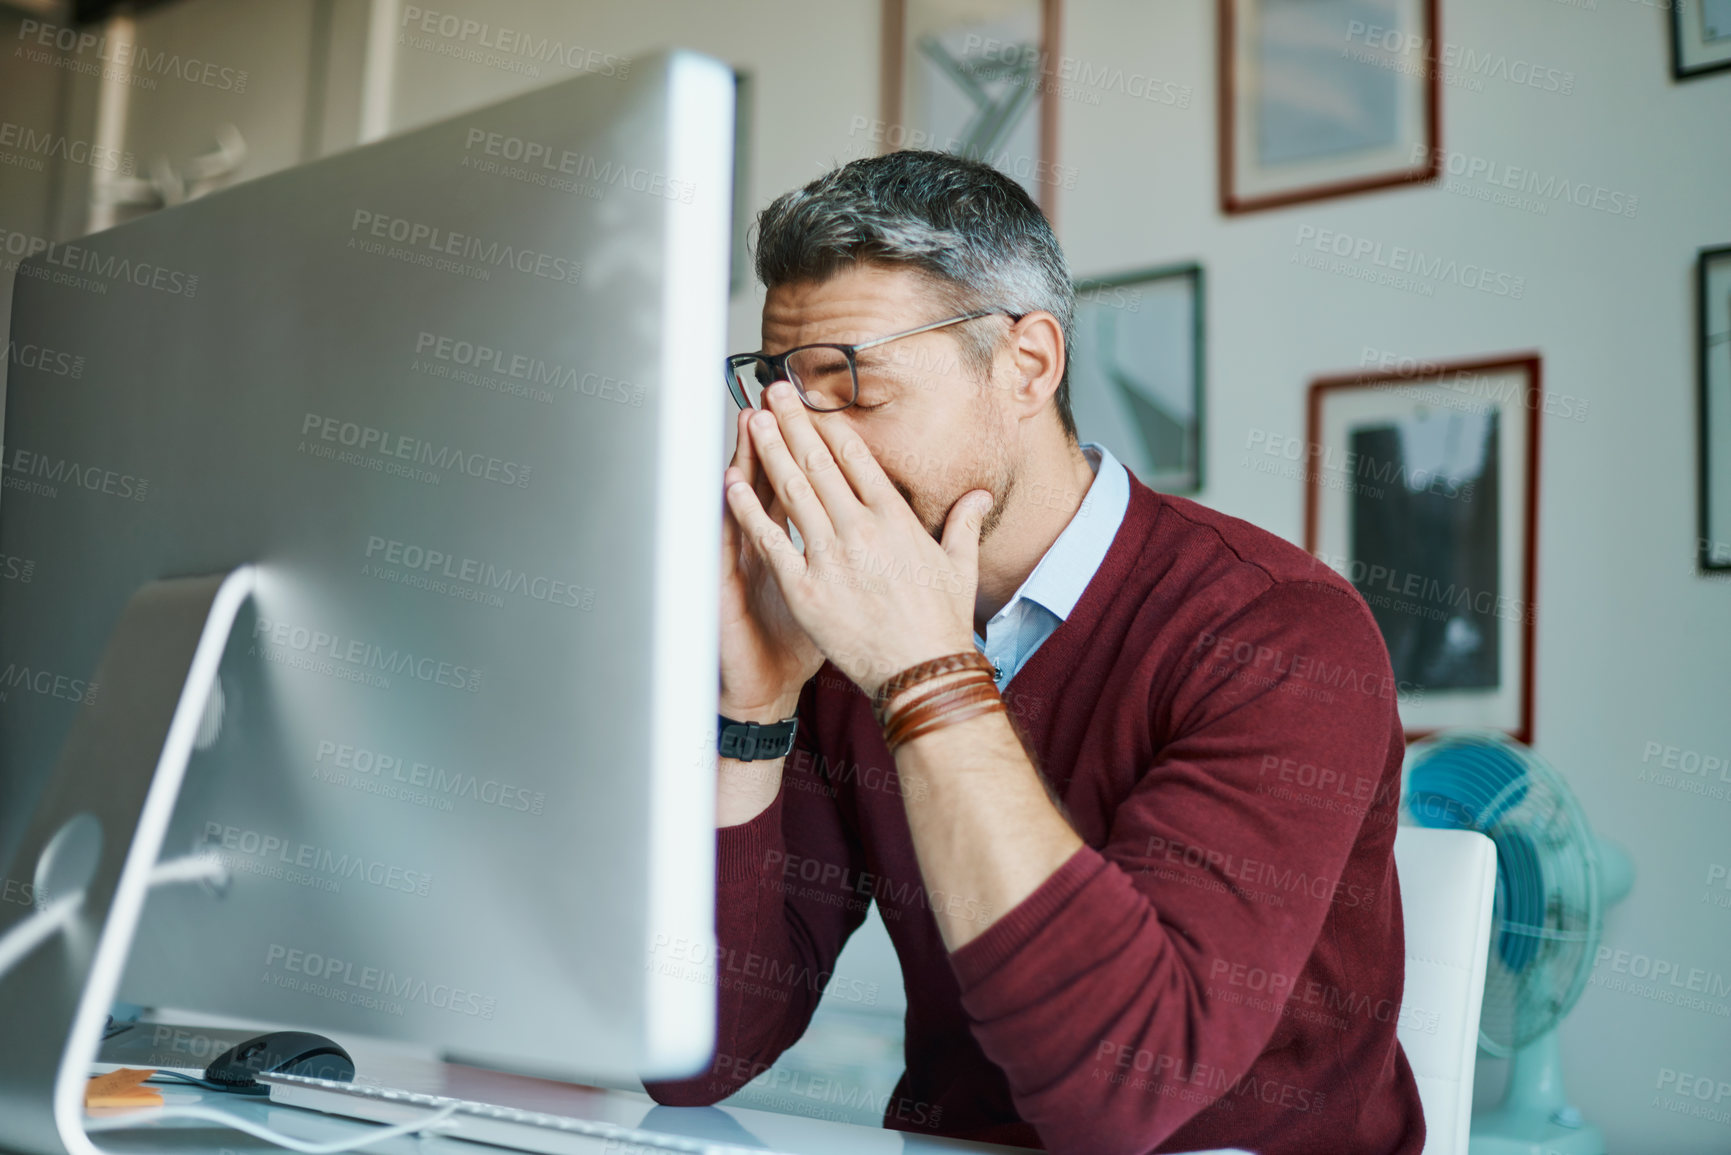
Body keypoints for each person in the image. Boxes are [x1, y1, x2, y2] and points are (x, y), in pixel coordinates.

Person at [645, 149, 1425, 1155]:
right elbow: (697, 1056)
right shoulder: (838, 631)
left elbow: (1124, 1094)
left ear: (1028, 366)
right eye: (780, 388)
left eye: (851, 384)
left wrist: (923, 672)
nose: (804, 447)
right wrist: (748, 716)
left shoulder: (1278, 631)